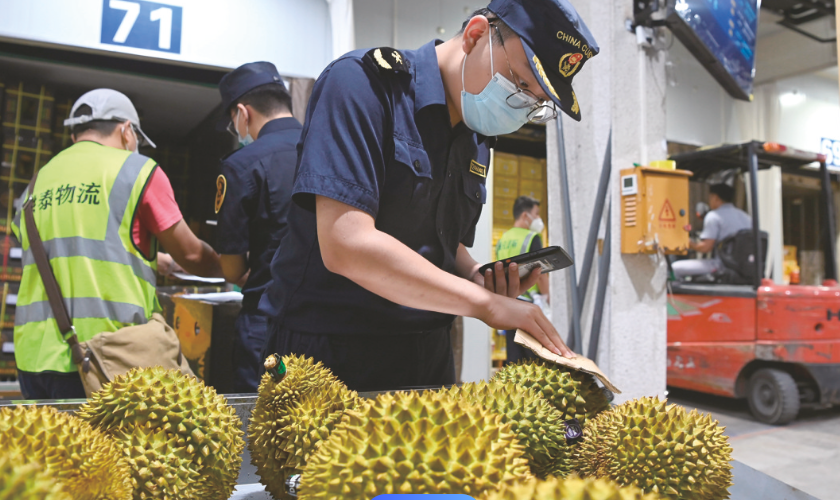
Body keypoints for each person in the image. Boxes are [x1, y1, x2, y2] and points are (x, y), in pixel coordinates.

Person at [260, 0, 598, 391]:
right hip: (329, 351)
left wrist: (474, 275)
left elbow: (440, 240)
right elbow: (345, 243)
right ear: (475, 35)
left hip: (428, 349)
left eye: (535, 104)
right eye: (521, 84)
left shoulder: (476, 139)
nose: (521, 107)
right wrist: (484, 304)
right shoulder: (363, 86)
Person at [11, 89, 223, 400]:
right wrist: (231, 266)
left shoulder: (37, 182)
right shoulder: (136, 171)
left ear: (76, 135)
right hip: (105, 357)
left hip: (33, 360)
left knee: (54, 449)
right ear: (126, 130)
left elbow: (66, 250)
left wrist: (153, 259)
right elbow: (191, 253)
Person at [214, 62, 302, 393]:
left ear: (242, 112)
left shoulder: (241, 165)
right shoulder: (329, 149)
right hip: (328, 323)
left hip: (267, 323)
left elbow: (232, 267)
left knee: (262, 427)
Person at [496, 196, 550, 364]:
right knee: (534, 360)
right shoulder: (532, 238)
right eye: (536, 214)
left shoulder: (502, 240)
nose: (538, 218)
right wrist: (548, 297)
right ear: (525, 216)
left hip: (508, 304)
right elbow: (539, 273)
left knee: (514, 359)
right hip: (527, 303)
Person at [672, 183, 752, 280]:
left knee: (674, 268)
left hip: (721, 265)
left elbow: (705, 248)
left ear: (715, 198)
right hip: (743, 267)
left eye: (710, 198)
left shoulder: (714, 216)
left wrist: (687, 242)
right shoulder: (746, 217)